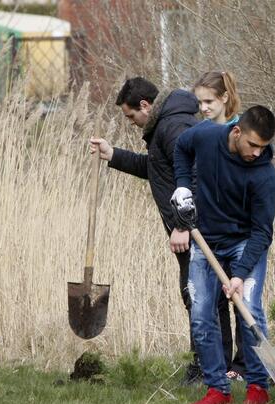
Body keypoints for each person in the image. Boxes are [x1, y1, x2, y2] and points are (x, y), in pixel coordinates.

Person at [88, 77, 204, 385]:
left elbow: (195, 176)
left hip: (196, 230)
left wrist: (182, 225)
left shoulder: (174, 127)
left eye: (130, 116)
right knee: (194, 295)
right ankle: (206, 366)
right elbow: (156, 169)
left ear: (145, 106)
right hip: (187, 229)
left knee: (197, 295)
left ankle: (205, 368)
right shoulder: (161, 128)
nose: (131, 123)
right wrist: (113, 155)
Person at [172, 105, 275, 404]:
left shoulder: (264, 176)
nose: (257, 153)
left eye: (264, 147)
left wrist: (239, 275)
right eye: (253, 144)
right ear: (236, 132)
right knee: (202, 313)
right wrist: (182, 185)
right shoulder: (206, 137)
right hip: (205, 239)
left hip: (246, 243)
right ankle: (218, 389)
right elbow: (181, 147)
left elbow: (262, 233)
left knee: (250, 311)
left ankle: (258, 385)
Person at [190, 70, 245, 381]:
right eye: (200, 102)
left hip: (240, 230)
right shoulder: (200, 135)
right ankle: (222, 368)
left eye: (209, 101)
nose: (204, 108)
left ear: (224, 98)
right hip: (208, 230)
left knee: (244, 300)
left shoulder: (242, 131)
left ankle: (244, 364)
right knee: (212, 302)